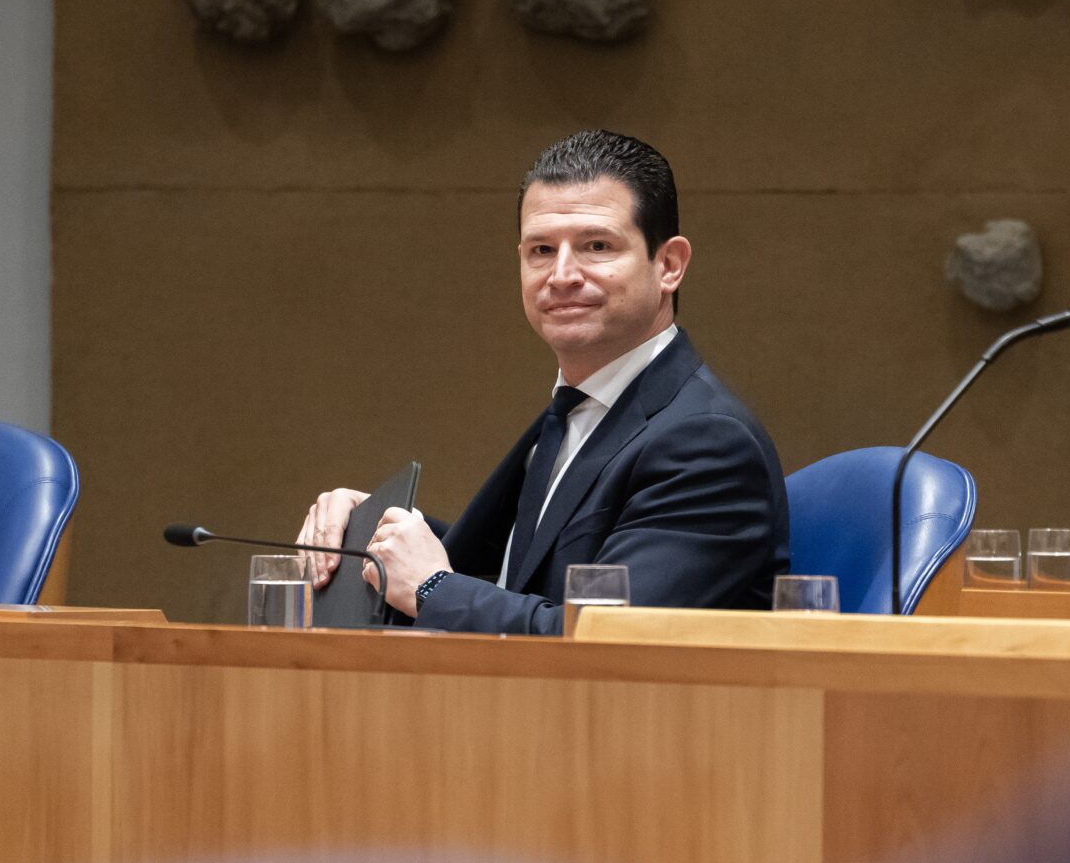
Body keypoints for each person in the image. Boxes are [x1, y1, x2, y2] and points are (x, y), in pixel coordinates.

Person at [295, 129, 788, 635]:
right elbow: (517, 576)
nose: (562, 274)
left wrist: (430, 588)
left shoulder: (707, 443)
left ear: (669, 265)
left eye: (597, 245)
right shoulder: (580, 408)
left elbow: (604, 639)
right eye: (541, 250)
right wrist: (375, 534)